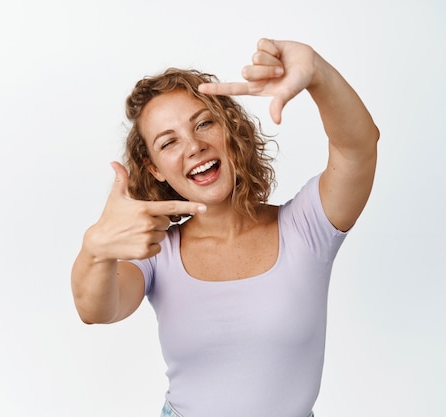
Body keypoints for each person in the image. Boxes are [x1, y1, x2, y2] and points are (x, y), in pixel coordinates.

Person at [71, 38, 379, 417]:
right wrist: (95, 248)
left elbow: (358, 149)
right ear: (155, 169)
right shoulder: (157, 253)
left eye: (203, 123)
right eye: (168, 143)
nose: (194, 146)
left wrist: (317, 73)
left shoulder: (305, 227)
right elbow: (97, 309)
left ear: (230, 129)